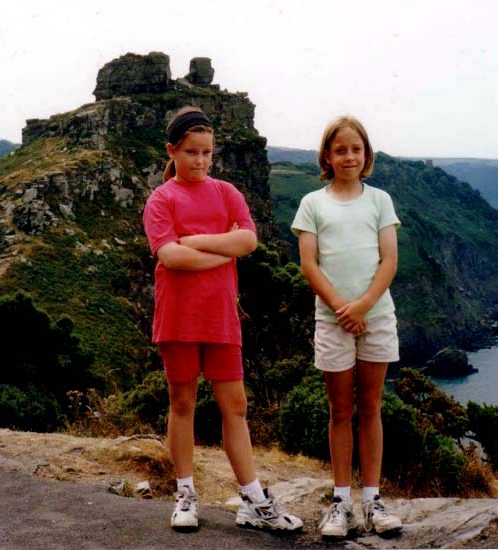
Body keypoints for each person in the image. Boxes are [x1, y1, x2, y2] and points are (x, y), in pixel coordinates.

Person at [143, 106, 303, 533]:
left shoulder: (227, 193)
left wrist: (198, 241)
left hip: (220, 319)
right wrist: (222, 251)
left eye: (207, 153)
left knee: (236, 407)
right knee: (182, 404)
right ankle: (185, 494)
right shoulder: (161, 198)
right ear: (172, 151)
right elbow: (169, 255)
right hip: (177, 318)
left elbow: (248, 240)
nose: (199, 161)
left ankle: (252, 498)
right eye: (191, 152)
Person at [291, 115, 402, 538]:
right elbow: (308, 264)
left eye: (356, 149)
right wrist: (343, 309)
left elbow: (389, 260)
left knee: (371, 408)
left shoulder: (380, 201)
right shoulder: (312, 204)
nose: (349, 156)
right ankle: (341, 502)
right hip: (333, 320)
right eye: (340, 150)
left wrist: (365, 306)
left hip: (376, 317)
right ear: (327, 156)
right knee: (340, 410)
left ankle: (373, 502)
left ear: (366, 154)